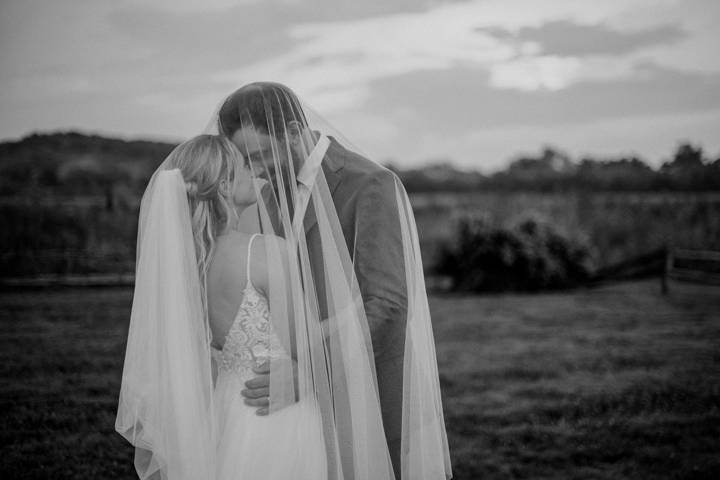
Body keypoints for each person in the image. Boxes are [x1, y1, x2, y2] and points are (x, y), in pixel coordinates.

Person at [215, 82, 452, 480]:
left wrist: (309, 371)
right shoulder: (272, 196)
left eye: (259, 156)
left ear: (292, 132)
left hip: (373, 396)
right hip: (300, 415)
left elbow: (388, 304)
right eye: (245, 161)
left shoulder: (371, 185)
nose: (254, 172)